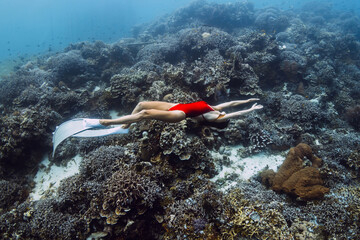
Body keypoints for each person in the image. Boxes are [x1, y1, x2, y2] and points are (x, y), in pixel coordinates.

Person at [83, 98, 263, 129]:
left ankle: (106, 122)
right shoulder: (215, 108)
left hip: (179, 115)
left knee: (145, 113)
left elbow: (235, 114)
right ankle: (126, 125)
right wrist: (248, 100)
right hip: (177, 105)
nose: (226, 110)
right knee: (141, 104)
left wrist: (251, 110)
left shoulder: (218, 116)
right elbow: (232, 103)